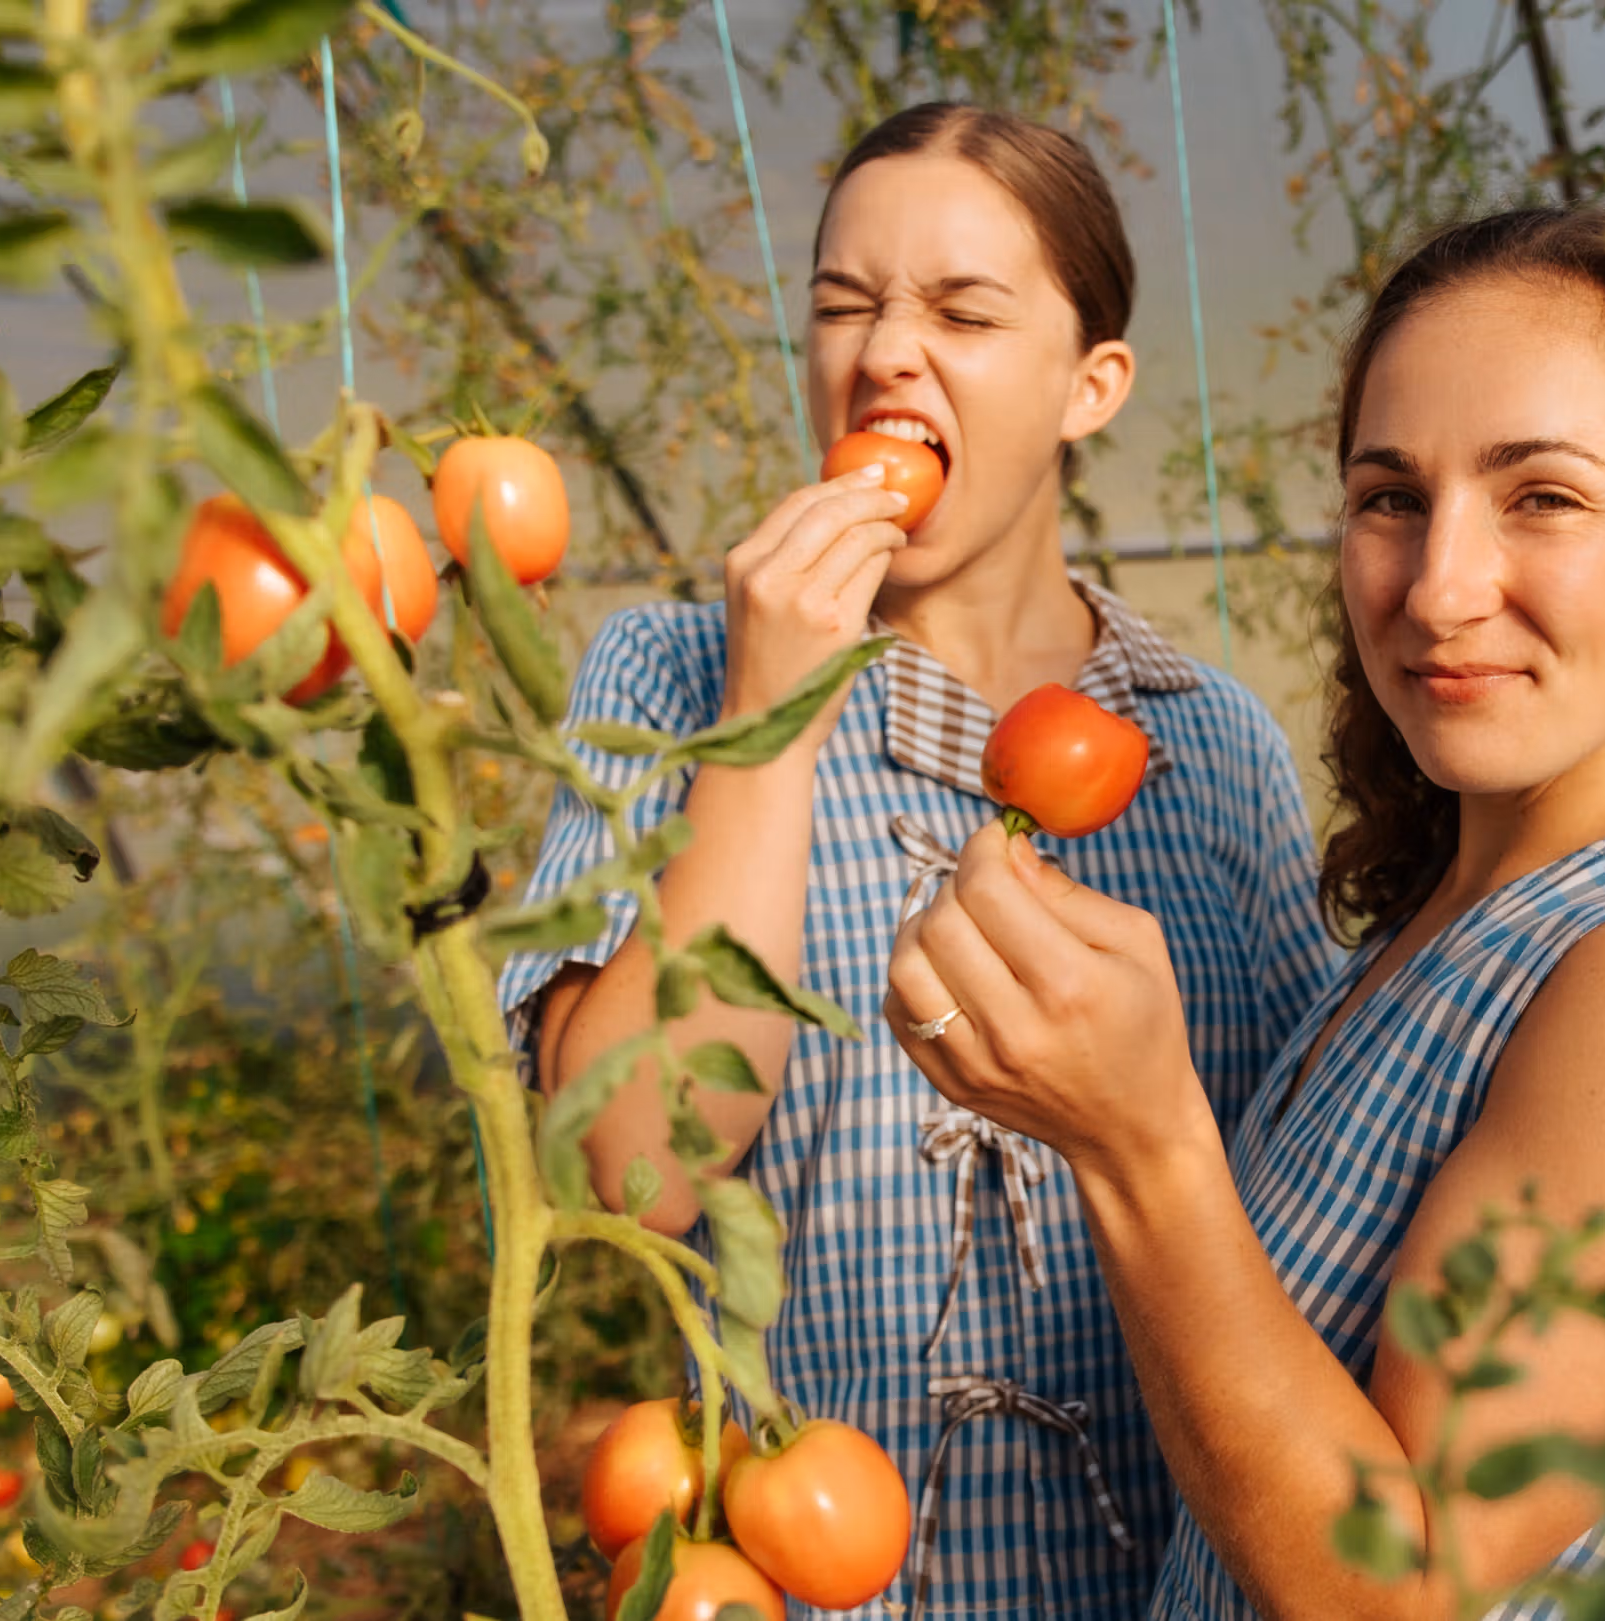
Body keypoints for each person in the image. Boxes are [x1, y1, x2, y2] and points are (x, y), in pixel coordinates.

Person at [881, 205, 1605, 1620]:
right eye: (1390, 498)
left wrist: (1139, 1142)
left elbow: (1402, 1583)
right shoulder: (1460, 911)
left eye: (1544, 497)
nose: (1440, 587)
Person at [496, 102, 1342, 1620]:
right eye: (845, 305)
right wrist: (769, 720)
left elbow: (1300, 1227)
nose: (887, 351)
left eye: (962, 311)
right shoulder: (671, 675)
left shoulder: (1210, 746)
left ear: (1090, 385)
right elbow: (631, 1172)